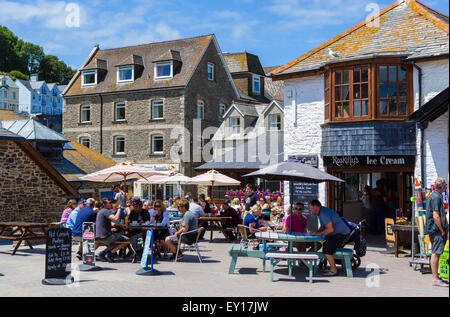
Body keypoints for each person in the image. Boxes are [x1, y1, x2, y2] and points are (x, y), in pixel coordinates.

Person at [309, 199, 350, 276]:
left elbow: (330, 229)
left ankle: (333, 270)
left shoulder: (323, 213)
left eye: (310, 207)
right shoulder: (322, 211)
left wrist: (318, 234)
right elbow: (324, 225)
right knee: (326, 246)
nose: (309, 210)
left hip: (341, 234)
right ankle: (332, 267)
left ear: (315, 207)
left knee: (327, 249)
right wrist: (317, 232)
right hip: (340, 233)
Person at [425, 177, 448, 287]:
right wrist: (442, 230)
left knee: (436, 252)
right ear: (443, 187)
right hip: (436, 229)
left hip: (435, 228)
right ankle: (435, 279)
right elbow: (435, 215)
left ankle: (436, 276)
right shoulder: (436, 197)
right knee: (436, 253)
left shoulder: (435, 195)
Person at [96, 198, 129, 263]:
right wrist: (119, 208)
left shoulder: (101, 211)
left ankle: (102, 254)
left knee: (115, 242)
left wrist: (121, 226)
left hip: (99, 236)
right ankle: (110, 254)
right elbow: (116, 218)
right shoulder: (105, 211)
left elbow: (112, 223)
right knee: (127, 240)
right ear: (104, 204)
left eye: (111, 203)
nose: (112, 204)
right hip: (106, 237)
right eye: (110, 203)